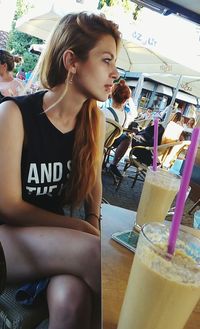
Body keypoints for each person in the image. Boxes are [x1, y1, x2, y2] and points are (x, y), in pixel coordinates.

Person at [0, 11, 120, 329]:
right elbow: (8, 207)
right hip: (6, 239)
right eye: (106, 60)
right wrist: (78, 228)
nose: (115, 72)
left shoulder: (91, 122)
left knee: (73, 300)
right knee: (97, 256)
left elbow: (93, 181)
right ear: (72, 61)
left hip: (55, 241)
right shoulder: (14, 114)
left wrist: (92, 219)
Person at [102, 79, 132, 178]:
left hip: (97, 141)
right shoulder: (126, 116)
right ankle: (114, 164)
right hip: (110, 142)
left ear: (111, 95)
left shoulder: (103, 112)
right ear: (125, 99)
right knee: (127, 138)